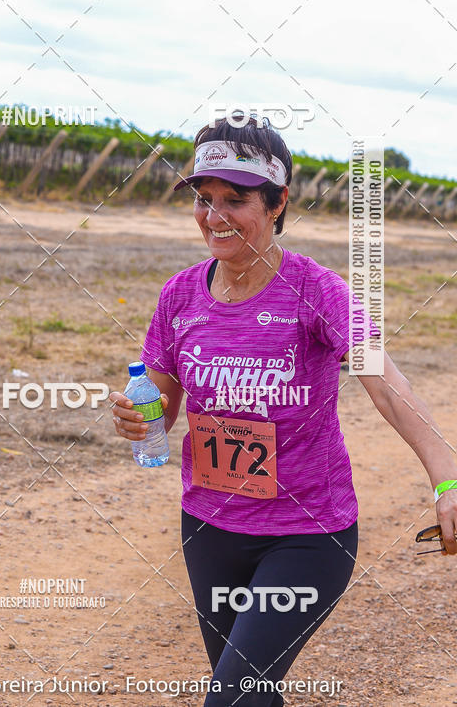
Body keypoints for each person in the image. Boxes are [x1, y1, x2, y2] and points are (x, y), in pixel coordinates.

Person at [109, 116, 457, 706]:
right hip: (209, 528)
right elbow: (163, 407)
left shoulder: (319, 292)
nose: (214, 217)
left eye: (235, 201)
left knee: (233, 696)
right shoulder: (179, 295)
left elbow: (386, 384)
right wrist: (137, 417)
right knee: (251, 693)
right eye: (204, 199)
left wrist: (449, 477)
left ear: (277, 204)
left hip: (306, 534)